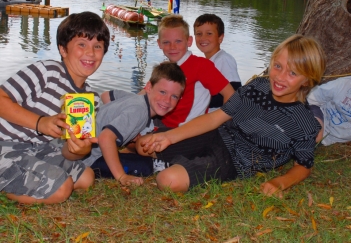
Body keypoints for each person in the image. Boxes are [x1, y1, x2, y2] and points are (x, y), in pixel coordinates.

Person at [137, 34, 326, 197]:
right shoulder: (257, 87)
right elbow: (215, 118)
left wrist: (280, 183)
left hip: (236, 161)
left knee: (167, 181)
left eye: (292, 73)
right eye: (278, 66)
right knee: (143, 145)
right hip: (217, 135)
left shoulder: (304, 123)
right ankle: (164, 157)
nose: (280, 76)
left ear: (307, 80)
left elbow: (304, 166)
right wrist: (168, 136)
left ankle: (168, 164)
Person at [0, 11, 110, 204]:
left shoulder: (90, 99)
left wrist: (80, 150)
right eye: (82, 44)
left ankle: (24, 178)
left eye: (98, 46)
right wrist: (40, 122)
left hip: (36, 149)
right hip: (6, 143)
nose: (90, 53)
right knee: (62, 189)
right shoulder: (47, 72)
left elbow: (69, 150)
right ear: (63, 49)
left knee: (87, 178)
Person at [75, 62, 186, 186]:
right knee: (141, 165)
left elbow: (106, 96)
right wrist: (122, 176)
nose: (167, 100)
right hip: (88, 159)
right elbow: (105, 138)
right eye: (163, 92)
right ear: (149, 87)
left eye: (174, 96)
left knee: (134, 157)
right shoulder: (139, 111)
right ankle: (160, 166)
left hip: (85, 151)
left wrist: (127, 128)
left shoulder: (135, 99)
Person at [154, 14, 235, 129]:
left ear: (189, 41)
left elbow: (231, 95)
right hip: (163, 121)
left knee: (140, 143)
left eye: (178, 41)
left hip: (183, 129)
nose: (172, 47)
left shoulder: (201, 66)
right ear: (159, 44)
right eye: (166, 42)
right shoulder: (166, 68)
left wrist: (223, 126)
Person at [194, 13, 241, 112]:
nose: (203, 38)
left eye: (209, 33)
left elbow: (234, 91)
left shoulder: (223, 60)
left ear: (220, 38)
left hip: (215, 119)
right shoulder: (207, 62)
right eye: (199, 34)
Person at [308, 76, 351, 145]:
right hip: (321, 112)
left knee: (314, 139)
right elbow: (314, 96)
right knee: (312, 131)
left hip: (330, 137)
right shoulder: (344, 84)